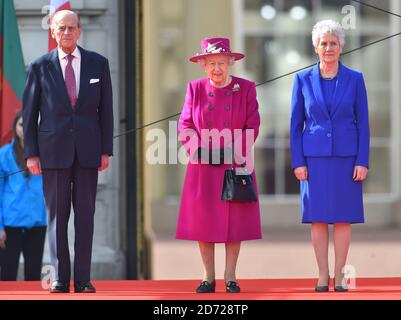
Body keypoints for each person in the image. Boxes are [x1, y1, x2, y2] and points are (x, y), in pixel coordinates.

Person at [23, 10, 113, 293]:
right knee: (57, 218)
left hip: (88, 152)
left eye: (72, 28)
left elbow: (106, 111)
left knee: (85, 217)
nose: (67, 33)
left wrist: (105, 150)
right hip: (52, 153)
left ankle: (84, 279)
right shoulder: (39, 66)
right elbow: (29, 113)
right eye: (61, 28)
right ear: (52, 31)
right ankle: (61, 278)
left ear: (79, 30)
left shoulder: (99, 64)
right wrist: (32, 153)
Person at [176, 37, 261, 293]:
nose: (217, 69)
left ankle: (231, 275)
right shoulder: (195, 88)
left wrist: (232, 151)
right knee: (204, 221)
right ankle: (207, 276)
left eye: (222, 63)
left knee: (234, 223)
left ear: (230, 63)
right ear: (203, 65)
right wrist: (200, 150)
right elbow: (185, 125)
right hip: (203, 164)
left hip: (235, 164)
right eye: (211, 63)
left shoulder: (246, 88)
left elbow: (253, 125)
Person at [290, 20, 370, 292]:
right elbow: (295, 124)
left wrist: (362, 160)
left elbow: (364, 123)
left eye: (333, 43)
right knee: (318, 217)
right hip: (314, 160)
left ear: (341, 47)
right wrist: (298, 161)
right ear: (315, 47)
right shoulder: (301, 79)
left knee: (343, 217)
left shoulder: (356, 79)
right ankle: (322, 275)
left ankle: (339, 276)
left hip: (347, 159)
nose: (328, 48)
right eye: (323, 43)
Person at [0, 112, 47, 281]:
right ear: (15, 127)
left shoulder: (44, 153)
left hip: (37, 223)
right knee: (7, 275)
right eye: (21, 124)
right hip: (10, 224)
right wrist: (0, 227)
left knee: (34, 276)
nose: (24, 129)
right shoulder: (4, 154)